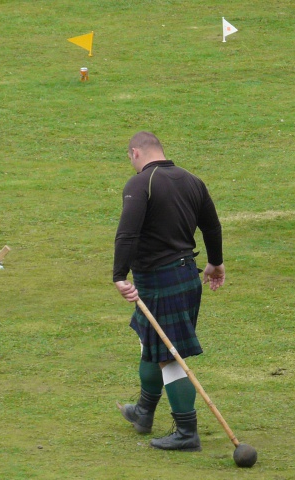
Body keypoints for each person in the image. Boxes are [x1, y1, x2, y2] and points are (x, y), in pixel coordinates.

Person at [113, 131, 225, 452]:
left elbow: (127, 233)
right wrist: (215, 264)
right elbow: (212, 226)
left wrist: (120, 275)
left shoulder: (140, 184)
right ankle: (144, 411)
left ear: (135, 153)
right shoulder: (192, 180)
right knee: (151, 341)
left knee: (170, 356)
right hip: (185, 276)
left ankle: (186, 431)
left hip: (162, 281)